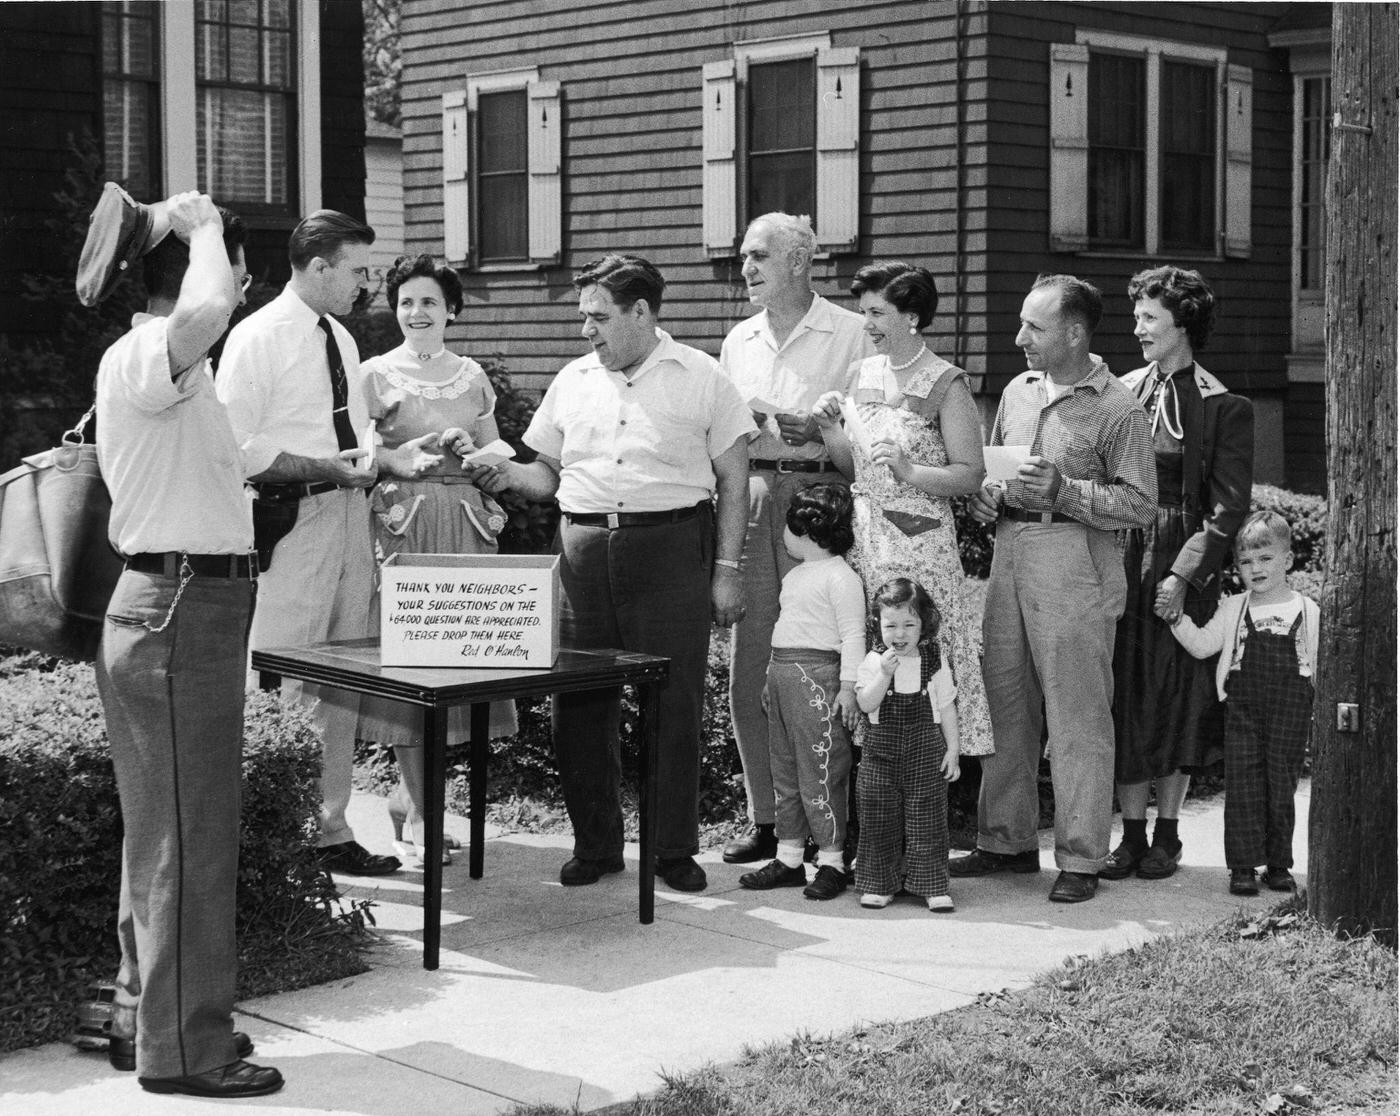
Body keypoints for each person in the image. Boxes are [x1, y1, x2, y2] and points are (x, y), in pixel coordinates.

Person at [471, 254, 755, 892]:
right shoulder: (573, 379)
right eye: (582, 318)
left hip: (672, 549)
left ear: (642, 313)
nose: (585, 331)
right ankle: (596, 846)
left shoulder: (703, 378)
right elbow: (545, 474)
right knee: (579, 702)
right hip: (583, 552)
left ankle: (672, 849)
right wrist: (504, 474)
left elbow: (735, 481)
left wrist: (728, 570)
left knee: (674, 702)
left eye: (598, 318)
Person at [85, 185, 282, 1097]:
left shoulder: (180, 377)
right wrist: (206, 227)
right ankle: (187, 1051)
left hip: (185, 612)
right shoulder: (143, 354)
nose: (243, 284)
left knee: (165, 834)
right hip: (177, 615)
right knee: (190, 838)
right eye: (237, 266)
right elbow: (207, 307)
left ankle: (141, 1016)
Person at [218, 210, 435, 877]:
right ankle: (281, 838)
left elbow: (353, 438)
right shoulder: (256, 338)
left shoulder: (339, 337)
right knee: (292, 677)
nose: (365, 284)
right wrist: (324, 469)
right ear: (317, 268)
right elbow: (236, 447)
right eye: (357, 270)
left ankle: (331, 829)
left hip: (348, 516)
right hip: (294, 522)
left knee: (338, 679)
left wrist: (387, 462)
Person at [954, 274, 1156, 904]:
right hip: (1010, 550)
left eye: (1034, 328)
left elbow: (1142, 504)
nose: (1020, 339)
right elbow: (995, 465)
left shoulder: (1119, 406)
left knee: (1078, 712)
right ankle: (1006, 841)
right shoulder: (1018, 391)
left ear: (1074, 333)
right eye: (1022, 324)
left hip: (1075, 557)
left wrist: (1065, 491)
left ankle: (1080, 857)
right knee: (1006, 701)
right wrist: (988, 500)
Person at [354, 254, 517, 867]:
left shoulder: (471, 375)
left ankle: (408, 800)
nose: (417, 314)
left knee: (457, 667)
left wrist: (476, 450)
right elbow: (358, 451)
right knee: (411, 668)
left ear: (451, 309)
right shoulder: (373, 374)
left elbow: (498, 443)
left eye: (428, 302)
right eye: (406, 303)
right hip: (405, 528)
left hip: (466, 528)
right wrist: (397, 456)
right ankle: (423, 814)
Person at [718, 213, 871, 866]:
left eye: (759, 257)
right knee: (753, 671)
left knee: (824, 667)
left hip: (820, 500)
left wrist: (823, 431)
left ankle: (832, 827)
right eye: (743, 258)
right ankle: (768, 818)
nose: (745, 269)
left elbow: (871, 444)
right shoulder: (738, 339)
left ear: (802, 260)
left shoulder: (852, 333)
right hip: (755, 499)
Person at [1103, 267, 1254, 883]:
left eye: (1149, 319)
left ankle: (1168, 834)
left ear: (1182, 324)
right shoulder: (1120, 391)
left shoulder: (1224, 406)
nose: (1137, 328)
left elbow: (1229, 508)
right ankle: (1130, 836)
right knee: (1127, 693)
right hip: (1120, 555)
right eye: (1136, 316)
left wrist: (1185, 576)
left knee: (1176, 697)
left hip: (1182, 556)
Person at [812, 261, 993, 760]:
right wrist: (830, 428)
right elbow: (857, 469)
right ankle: (880, 771)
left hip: (921, 541)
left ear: (911, 317)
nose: (865, 323)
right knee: (874, 647)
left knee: (924, 649)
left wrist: (912, 473)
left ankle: (934, 772)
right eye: (863, 311)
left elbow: (969, 474)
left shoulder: (946, 383)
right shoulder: (862, 373)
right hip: (867, 538)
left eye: (876, 312)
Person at [1170, 512, 1319, 897]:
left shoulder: (1308, 611)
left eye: (1266, 559)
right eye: (1246, 562)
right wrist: (1176, 619)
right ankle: (1242, 866)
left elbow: (1320, 668)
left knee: (1280, 785)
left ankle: (1279, 864)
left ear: (1287, 559)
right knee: (1243, 786)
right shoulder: (1235, 607)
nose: (1256, 568)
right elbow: (1203, 644)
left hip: (1291, 708)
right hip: (1243, 709)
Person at [737, 483, 864, 901]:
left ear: (808, 532)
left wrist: (847, 688)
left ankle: (832, 860)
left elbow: (852, 635)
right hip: (784, 677)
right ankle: (789, 857)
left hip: (819, 680)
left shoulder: (841, 577)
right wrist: (772, 679)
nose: (783, 537)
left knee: (822, 773)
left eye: (789, 529)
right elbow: (785, 628)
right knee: (786, 773)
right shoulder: (797, 576)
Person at [854, 578, 961, 912]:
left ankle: (931, 885)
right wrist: (883, 674)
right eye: (890, 626)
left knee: (927, 818)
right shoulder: (873, 662)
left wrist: (953, 750)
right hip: (879, 755)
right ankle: (879, 884)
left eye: (908, 625)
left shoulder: (934, 662)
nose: (899, 635)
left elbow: (946, 708)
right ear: (877, 625)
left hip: (925, 752)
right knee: (878, 818)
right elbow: (866, 704)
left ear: (923, 625)